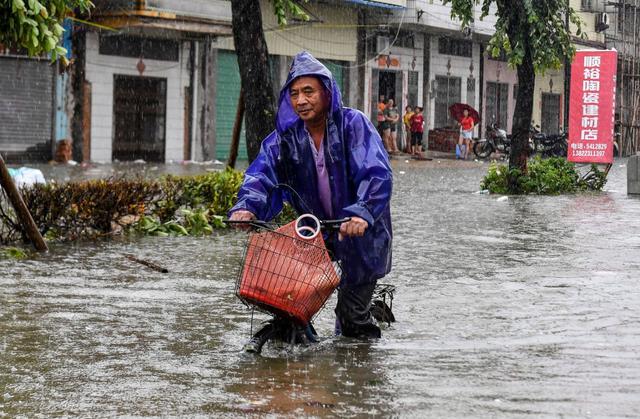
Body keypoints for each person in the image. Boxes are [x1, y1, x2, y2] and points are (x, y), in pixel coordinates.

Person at [228, 51, 393, 340]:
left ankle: (361, 368)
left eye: (308, 92)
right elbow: (262, 173)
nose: (301, 101)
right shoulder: (287, 138)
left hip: (361, 234)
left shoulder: (353, 125)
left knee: (350, 319)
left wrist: (361, 212)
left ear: (327, 94)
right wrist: (247, 207)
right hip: (317, 232)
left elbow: (376, 173)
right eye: (294, 94)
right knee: (285, 294)